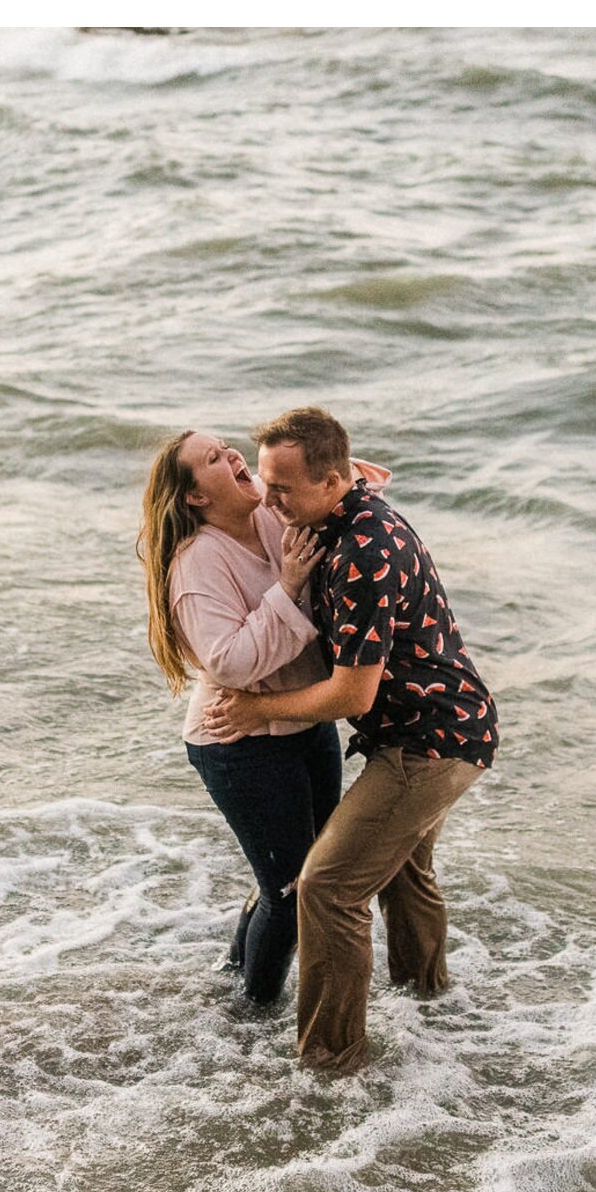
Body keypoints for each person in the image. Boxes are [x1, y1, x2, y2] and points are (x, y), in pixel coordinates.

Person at [208, 406, 498, 1074]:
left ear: (334, 482)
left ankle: (329, 1066)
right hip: (455, 723)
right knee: (403, 871)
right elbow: (351, 474)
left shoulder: (365, 551)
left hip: (430, 742)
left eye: (281, 488)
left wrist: (257, 710)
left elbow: (352, 695)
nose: (267, 497)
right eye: (262, 477)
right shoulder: (340, 509)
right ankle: (432, 1005)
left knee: (326, 886)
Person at [140, 430, 341, 1005]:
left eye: (226, 446)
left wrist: (334, 480)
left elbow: (336, 499)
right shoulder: (195, 563)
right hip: (238, 741)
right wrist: (289, 586)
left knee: (300, 877)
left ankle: (234, 975)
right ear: (196, 498)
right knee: (293, 892)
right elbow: (230, 662)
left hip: (306, 719)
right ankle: (253, 1017)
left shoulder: (268, 520)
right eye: (212, 460)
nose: (231, 456)